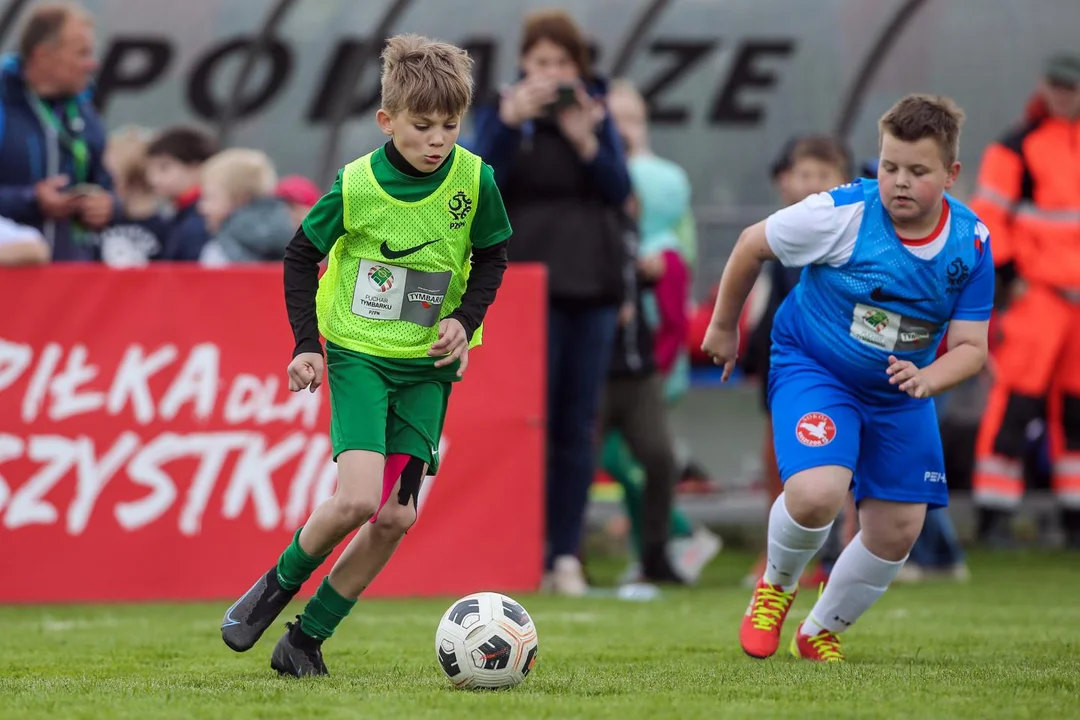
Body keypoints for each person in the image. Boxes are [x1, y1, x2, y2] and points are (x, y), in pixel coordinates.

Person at [220, 34, 512, 678]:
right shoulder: (356, 185)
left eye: (450, 125)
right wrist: (307, 346)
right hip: (360, 356)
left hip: (427, 367)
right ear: (387, 121)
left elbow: (492, 254)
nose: (438, 139)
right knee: (356, 500)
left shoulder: (474, 179)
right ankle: (273, 587)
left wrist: (465, 321)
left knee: (397, 515)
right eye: (422, 125)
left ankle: (306, 638)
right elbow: (300, 255)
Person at [702, 94, 993, 662]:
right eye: (889, 167)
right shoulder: (841, 213)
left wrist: (929, 379)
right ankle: (776, 589)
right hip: (817, 367)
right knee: (816, 495)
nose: (899, 182)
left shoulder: (972, 243)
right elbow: (749, 245)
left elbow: (971, 347)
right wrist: (723, 327)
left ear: (951, 174)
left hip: (902, 391)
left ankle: (821, 630)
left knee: (898, 528)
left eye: (917, 171)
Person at [466, 9, 631, 595]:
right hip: (523, 287)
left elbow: (619, 190)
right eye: (541, 63)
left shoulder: (597, 113)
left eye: (563, 63)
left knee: (575, 423)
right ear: (522, 66)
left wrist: (587, 139)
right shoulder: (501, 114)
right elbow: (479, 183)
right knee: (520, 422)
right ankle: (516, 548)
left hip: (591, 284)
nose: (552, 75)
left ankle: (565, 551)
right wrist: (508, 124)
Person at [604, 79, 720, 584]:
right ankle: (664, 541)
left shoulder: (663, 191)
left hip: (648, 360)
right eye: (616, 119)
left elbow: (682, 271)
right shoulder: (605, 190)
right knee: (624, 457)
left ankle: (671, 540)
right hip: (617, 356)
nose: (624, 130)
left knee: (641, 455)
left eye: (632, 120)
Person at [968, 53, 1080, 549]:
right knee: (1016, 400)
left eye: (1071, 87)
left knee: (1076, 412)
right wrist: (1007, 279)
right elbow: (988, 217)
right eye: (1057, 86)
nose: (1063, 95)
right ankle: (994, 517)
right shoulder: (1017, 145)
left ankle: (1075, 517)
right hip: (1039, 296)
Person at [741, 136, 855, 588]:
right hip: (783, 369)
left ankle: (846, 554)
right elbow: (759, 303)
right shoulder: (770, 235)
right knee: (781, 463)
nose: (812, 186)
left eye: (823, 176)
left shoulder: (852, 238)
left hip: (840, 368)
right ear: (784, 181)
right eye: (804, 175)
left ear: (844, 183)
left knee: (842, 467)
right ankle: (779, 555)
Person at [0, 3, 114, 260]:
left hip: (71, 283)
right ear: (43, 54)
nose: (92, 64)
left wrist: (106, 207)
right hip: (10, 282)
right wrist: (30, 200)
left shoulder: (84, 112)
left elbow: (107, 185)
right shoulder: (4, 102)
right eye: (81, 53)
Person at [197, 148, 295, 265]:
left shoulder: (220, 251)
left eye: (209, 197)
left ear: (240, 198)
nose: (201, 208)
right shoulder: (294, 242)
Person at [144, 126, 218, 262]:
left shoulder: (200, 221)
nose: (154, 179)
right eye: (150, 169)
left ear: (196, 168)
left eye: (164, 167)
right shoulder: (178, 216)